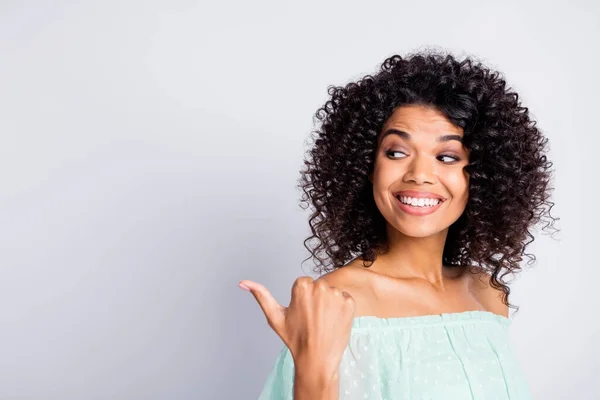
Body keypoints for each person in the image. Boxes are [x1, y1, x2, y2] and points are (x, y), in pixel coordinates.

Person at [239, 50, 559, 399]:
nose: (420, 175)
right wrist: (314, 367)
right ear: (367, 166)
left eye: (447, 157)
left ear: (482, 177)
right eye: (396, 152)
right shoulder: (336, 302)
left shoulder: (487, 294)